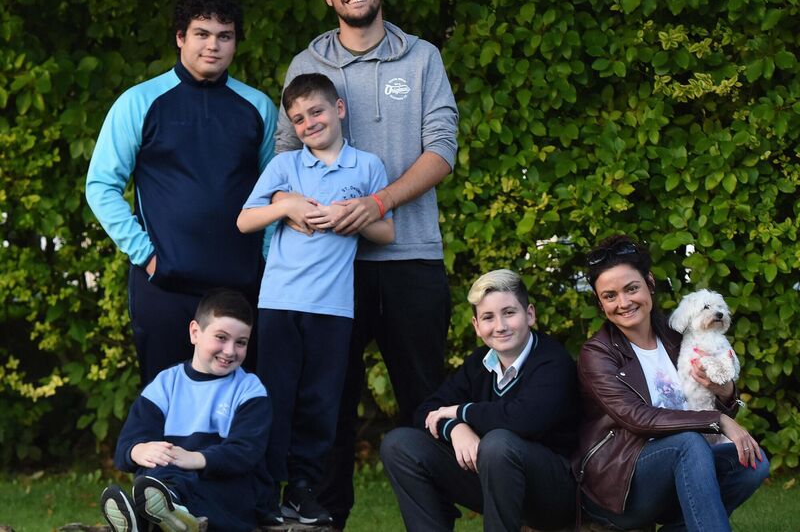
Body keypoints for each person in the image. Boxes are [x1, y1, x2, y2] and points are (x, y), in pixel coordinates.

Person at [274, 0, 459, 527]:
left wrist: (378, 201)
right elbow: (282, 158)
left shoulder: (423, 57)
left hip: (412, 258)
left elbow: (442, 151)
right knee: (327, 400)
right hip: (330, 265)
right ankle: (323, 518)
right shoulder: (307, 62)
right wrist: (295, 207)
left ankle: (434, 519)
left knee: (425, 400)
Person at [86, 0, 277, 386]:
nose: (213, 46)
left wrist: (263, 261)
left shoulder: (258, 107)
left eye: (224, 36)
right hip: (165, 287)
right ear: (180, 38)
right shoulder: (140, 101)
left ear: (236, 43)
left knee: (238, 413)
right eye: (202, 34)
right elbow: (102, 185)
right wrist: (148, 256)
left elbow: (274, 191)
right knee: (165, 411)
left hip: (240, 289)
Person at [237, 73, 394, 525]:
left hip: (334, 309)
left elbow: (386, 232)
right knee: (276, 398)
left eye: (317, 111)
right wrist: (285, 206)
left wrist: (353, 216)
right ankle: (265, 493)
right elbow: (245, 221)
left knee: (320, 404)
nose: (309, 123)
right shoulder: (286, 167)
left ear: (339, 109)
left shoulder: (367, 167)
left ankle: (302, 490)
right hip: (281, 304)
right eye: (298, 118)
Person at [573, 234, 769, 531]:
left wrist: (726, 393)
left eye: (631, 288)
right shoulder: (596, 354)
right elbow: (637, 418)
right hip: (621, 485)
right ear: (601, 305)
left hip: (686, 467)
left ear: (649, 283)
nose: (623, 303)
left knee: (754, 462)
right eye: (610, 296)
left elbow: (708, 400)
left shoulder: (677, 334)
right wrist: (717, 420)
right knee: (688, 442)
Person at [381, 269, 580, 531]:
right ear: (477, 326)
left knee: (498, 444)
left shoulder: (553, 361)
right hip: (495, 479)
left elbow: (523, 420)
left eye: (509, 312)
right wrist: (455, 428)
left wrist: (462, 412)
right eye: (488, 317)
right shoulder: (479, 364)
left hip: (554, 493)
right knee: (399, 444)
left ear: (529, 314)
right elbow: (427, 412)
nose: (500, 326)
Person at [99, 288, 271, 532]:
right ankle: (165, 514)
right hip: (167, 481)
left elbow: (246, 452)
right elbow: (126, 445)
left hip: (226, 493)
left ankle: (153, 517)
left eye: (241, 343)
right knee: (158, 477)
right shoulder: (165, 384)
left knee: (178, 483)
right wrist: (139, 450)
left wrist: (195, 458)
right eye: (221, 337)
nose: (231, 351)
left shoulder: (249, 389)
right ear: (195, 333)